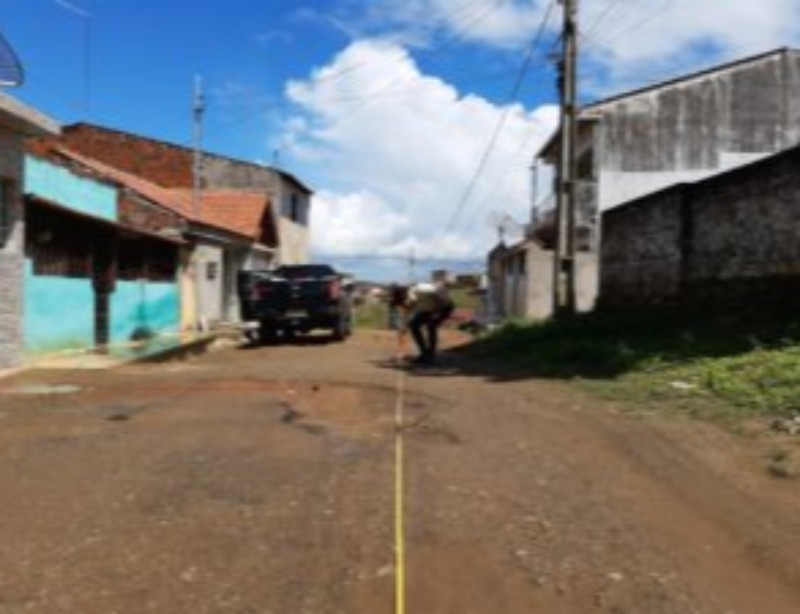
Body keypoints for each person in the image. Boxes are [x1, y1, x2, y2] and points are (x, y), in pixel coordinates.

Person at [407, 281, 455, 365]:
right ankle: (424, 353)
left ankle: (430, 356)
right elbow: (412, 304)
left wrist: (436, 313)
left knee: (431, 326)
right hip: (428, 308)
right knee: (413, 325)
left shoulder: (431, 289)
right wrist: (408, 317)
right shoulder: (413, 291)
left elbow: (443, 302)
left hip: (444, 307)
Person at [387, 284, 411, 362]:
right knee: (403, 337)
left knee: (401, 338)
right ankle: (404, 353)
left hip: (401, 321)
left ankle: (401, 353)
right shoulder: (403, 303)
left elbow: (393, 314)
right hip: (403, 321)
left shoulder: (395, 303)